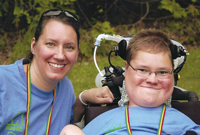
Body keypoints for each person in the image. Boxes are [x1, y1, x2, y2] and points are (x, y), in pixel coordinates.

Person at [59, 29, 200, 135]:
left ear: (172, 75)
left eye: (162, 72)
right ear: (126, 69)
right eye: (143, 70)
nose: (152, 79)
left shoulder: (187, 125)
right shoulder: (102, 121)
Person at [0, 9, 114, 135]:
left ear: (76, 53)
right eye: (50, 44)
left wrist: (83, 98)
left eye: (69, 47)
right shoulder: (3, 82)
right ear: (34, 46)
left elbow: (67, 124)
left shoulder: (65, 88)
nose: (60, 55)